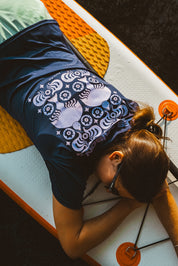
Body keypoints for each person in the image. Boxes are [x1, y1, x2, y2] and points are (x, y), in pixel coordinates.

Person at [0, 0, 178, 259]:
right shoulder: (70, 161)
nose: (109, 191)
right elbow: (72, 244)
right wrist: (128, 205)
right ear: (116, 158)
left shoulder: (133, 118)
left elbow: (154, 180)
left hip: (31, 16)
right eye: (114, 188)